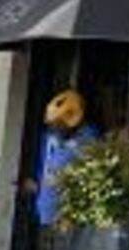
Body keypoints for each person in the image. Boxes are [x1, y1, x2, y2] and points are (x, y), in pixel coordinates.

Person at [32, 88, 100, 228]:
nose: (54, 128)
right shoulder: (50, 139)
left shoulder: (87, 141)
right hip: (46, 213)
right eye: (52, 125)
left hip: (71, 217)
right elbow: (44, 168)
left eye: (58, 124)